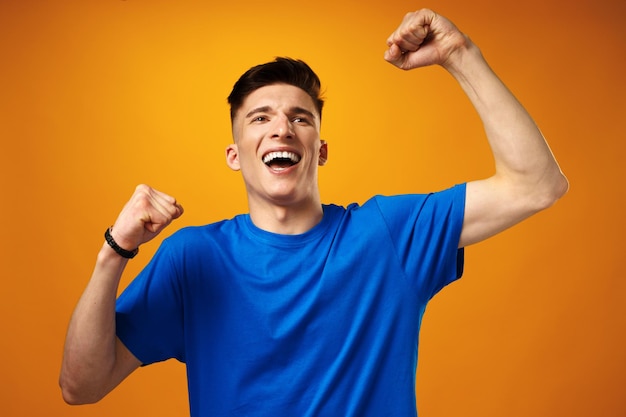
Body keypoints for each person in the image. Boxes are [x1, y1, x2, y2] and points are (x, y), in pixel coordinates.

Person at [59, 8, 568, 416]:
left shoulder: (387, 235)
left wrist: (460, 53)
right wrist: (114, 252)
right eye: (261, 118)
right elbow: (81, 386)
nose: (281, 128)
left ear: (320, 149)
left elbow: (536, 185)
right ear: (235, 155)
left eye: (299, 118)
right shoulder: (193, 259)